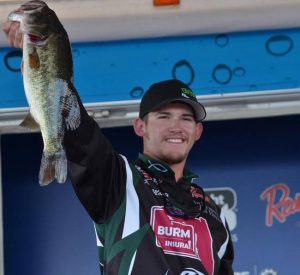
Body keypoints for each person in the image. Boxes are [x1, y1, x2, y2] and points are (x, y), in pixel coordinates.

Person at [3, 3, 234, 274]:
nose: (175, 127)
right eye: (163, 116)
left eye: (186, 118)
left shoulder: (211, 212)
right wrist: (43, 50)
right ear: (139, 127)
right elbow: (81, 135)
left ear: (198, 131)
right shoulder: (119, 181)